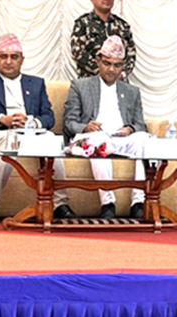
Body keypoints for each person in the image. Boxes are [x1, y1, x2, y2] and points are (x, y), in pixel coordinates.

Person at [0, 34, 74, 225]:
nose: (8, 61)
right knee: (9, 144)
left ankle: (60, 204)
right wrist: (3, 119)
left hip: (32, 133)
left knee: (52, 141)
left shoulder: (36, 83)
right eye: (3, 57)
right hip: (4, 132)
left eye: (14, 57)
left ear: (22, 60)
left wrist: (31, 122)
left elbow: (48, 116)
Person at [63, 35, 147, 219]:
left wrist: (130, 129)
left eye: (117, 65)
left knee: (142, 139)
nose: (111, 69)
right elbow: (69, 122)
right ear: (98, 61)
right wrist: (86, 127)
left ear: (123, 66)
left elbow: (141, 124)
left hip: (121, 139)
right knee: (97, 140)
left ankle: (138, 202)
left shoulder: (132, 91)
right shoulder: (80, 86)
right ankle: (108, 203)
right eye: (107, 64)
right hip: (95, 138)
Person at [70, 0, 137, 78]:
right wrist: (103, 72)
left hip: (118, 81)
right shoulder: (83, 23)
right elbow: (78, 53)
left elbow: (131, 54)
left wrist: (122, 73)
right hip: (91, 80)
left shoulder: (122, 25)